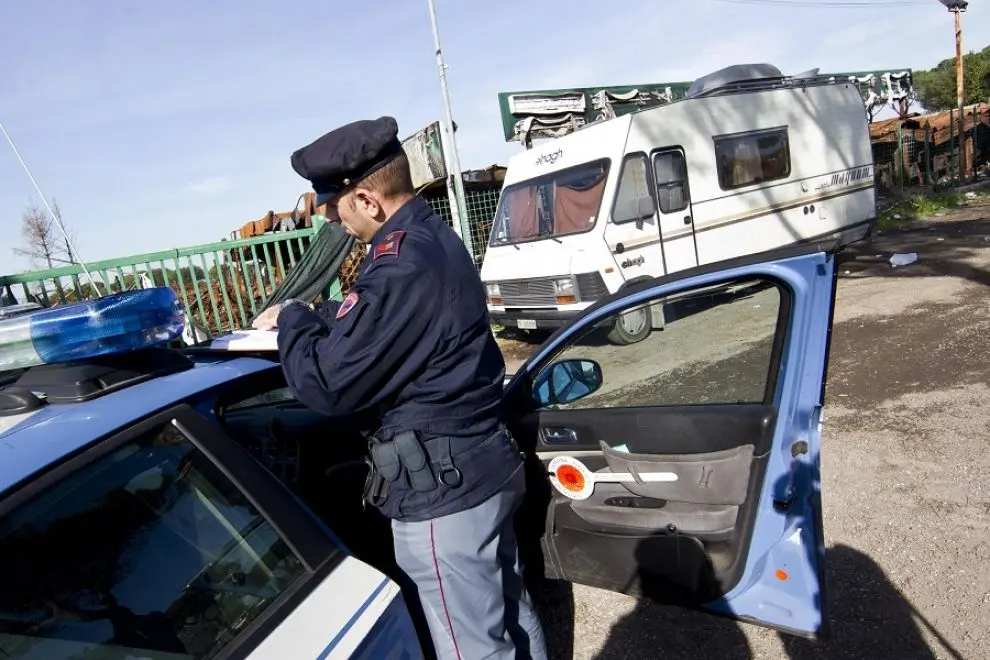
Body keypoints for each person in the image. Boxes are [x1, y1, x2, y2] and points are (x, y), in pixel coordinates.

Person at [252, 116, 548, 660]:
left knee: (473, 648)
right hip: (481, 463)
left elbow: (327, 386)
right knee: (511, 615)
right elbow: (377, 325)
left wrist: (292, 319)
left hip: (442, 491)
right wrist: (319, 313)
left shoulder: (398, 265)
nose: (335, 223)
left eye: (334, 208)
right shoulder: (430, 238)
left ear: (366, 199)